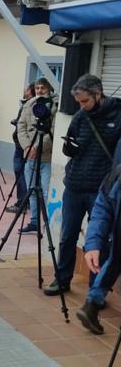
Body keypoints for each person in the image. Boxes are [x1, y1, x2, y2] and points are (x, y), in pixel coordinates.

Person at [44, 74, 121, 296]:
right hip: (75, 185)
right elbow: (70, 145)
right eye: (78, 102)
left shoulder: (117, 115)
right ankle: (62, 279)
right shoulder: (80, 116)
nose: (82, 106)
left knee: (98, 242)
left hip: (101, 191)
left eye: (85, 101)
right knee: (67, 235)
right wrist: (69, 147)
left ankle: (96, 290)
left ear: (98, 94)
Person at [74, 143, 121, 334]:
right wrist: (92, 244)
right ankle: (92, 305)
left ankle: (92, 304)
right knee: (113, 259)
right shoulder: (116, 176)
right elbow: (102, 209)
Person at [16, 78, 58, 233]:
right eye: (37, 88)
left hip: (47, 156)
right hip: (30, 156)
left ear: (49, 88)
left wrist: (36, 146)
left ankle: (48, 225)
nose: (40, 90)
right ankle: (34, 222)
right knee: (31, 191)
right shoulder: (29, 103)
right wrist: (27, 146)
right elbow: (21, 126)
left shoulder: (55, 105)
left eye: (43, 88)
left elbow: (54, 130)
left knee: (46, 193)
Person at [6, 83, 36, 214]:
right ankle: (25, 202)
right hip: (24, 143)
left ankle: (22, 203)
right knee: (23, 173)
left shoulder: (29, 105)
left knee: (20, 172)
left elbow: (24, 124)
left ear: (30, 92)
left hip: (23, 144)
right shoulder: (28, 104)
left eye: (26, 90)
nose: (24, 91)